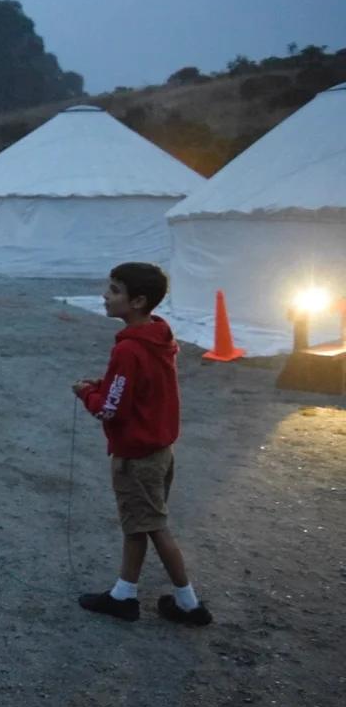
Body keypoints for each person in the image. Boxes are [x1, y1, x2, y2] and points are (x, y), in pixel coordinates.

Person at [72, 263, 212, 626]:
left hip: (136, 457)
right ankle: (124, 594)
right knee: (138, 524)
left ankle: (188, 603)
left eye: (115, 290)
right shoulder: (159, 337)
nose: (106, 295)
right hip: (160, 451)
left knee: (154, 526)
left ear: (137, 301)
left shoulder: (129, 350)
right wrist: (104, 383)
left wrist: (88, 393)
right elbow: (138, 390)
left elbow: (110, 410)